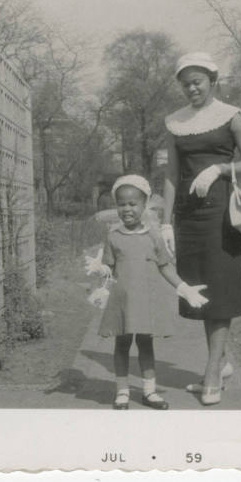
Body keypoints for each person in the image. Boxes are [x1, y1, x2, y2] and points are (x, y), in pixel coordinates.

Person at [161, 52, 241, 405]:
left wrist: (219, 169)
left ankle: (210, 372)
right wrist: (165, 222)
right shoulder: (174, 123)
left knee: (220, 291)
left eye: (198, 82)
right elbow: (172, 175)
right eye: (186, 83)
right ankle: (218, 363)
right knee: (201, 291)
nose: (192, 89)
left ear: (212, 81)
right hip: (188, 218)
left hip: (221, 215)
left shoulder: (231, 117)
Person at [86, 175, 209, 410]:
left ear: (144, 205)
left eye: (133, 204)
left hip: (146, 302)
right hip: (121, 302)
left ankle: (149, 392)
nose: (127, 209)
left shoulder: (153, 235)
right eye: (121, 204)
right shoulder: (113, 236)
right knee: (122, 345)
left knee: (145, 345)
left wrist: (184, 288)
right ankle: (122, 391)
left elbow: (165, 265)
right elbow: (109, 269)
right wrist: (100, 270)